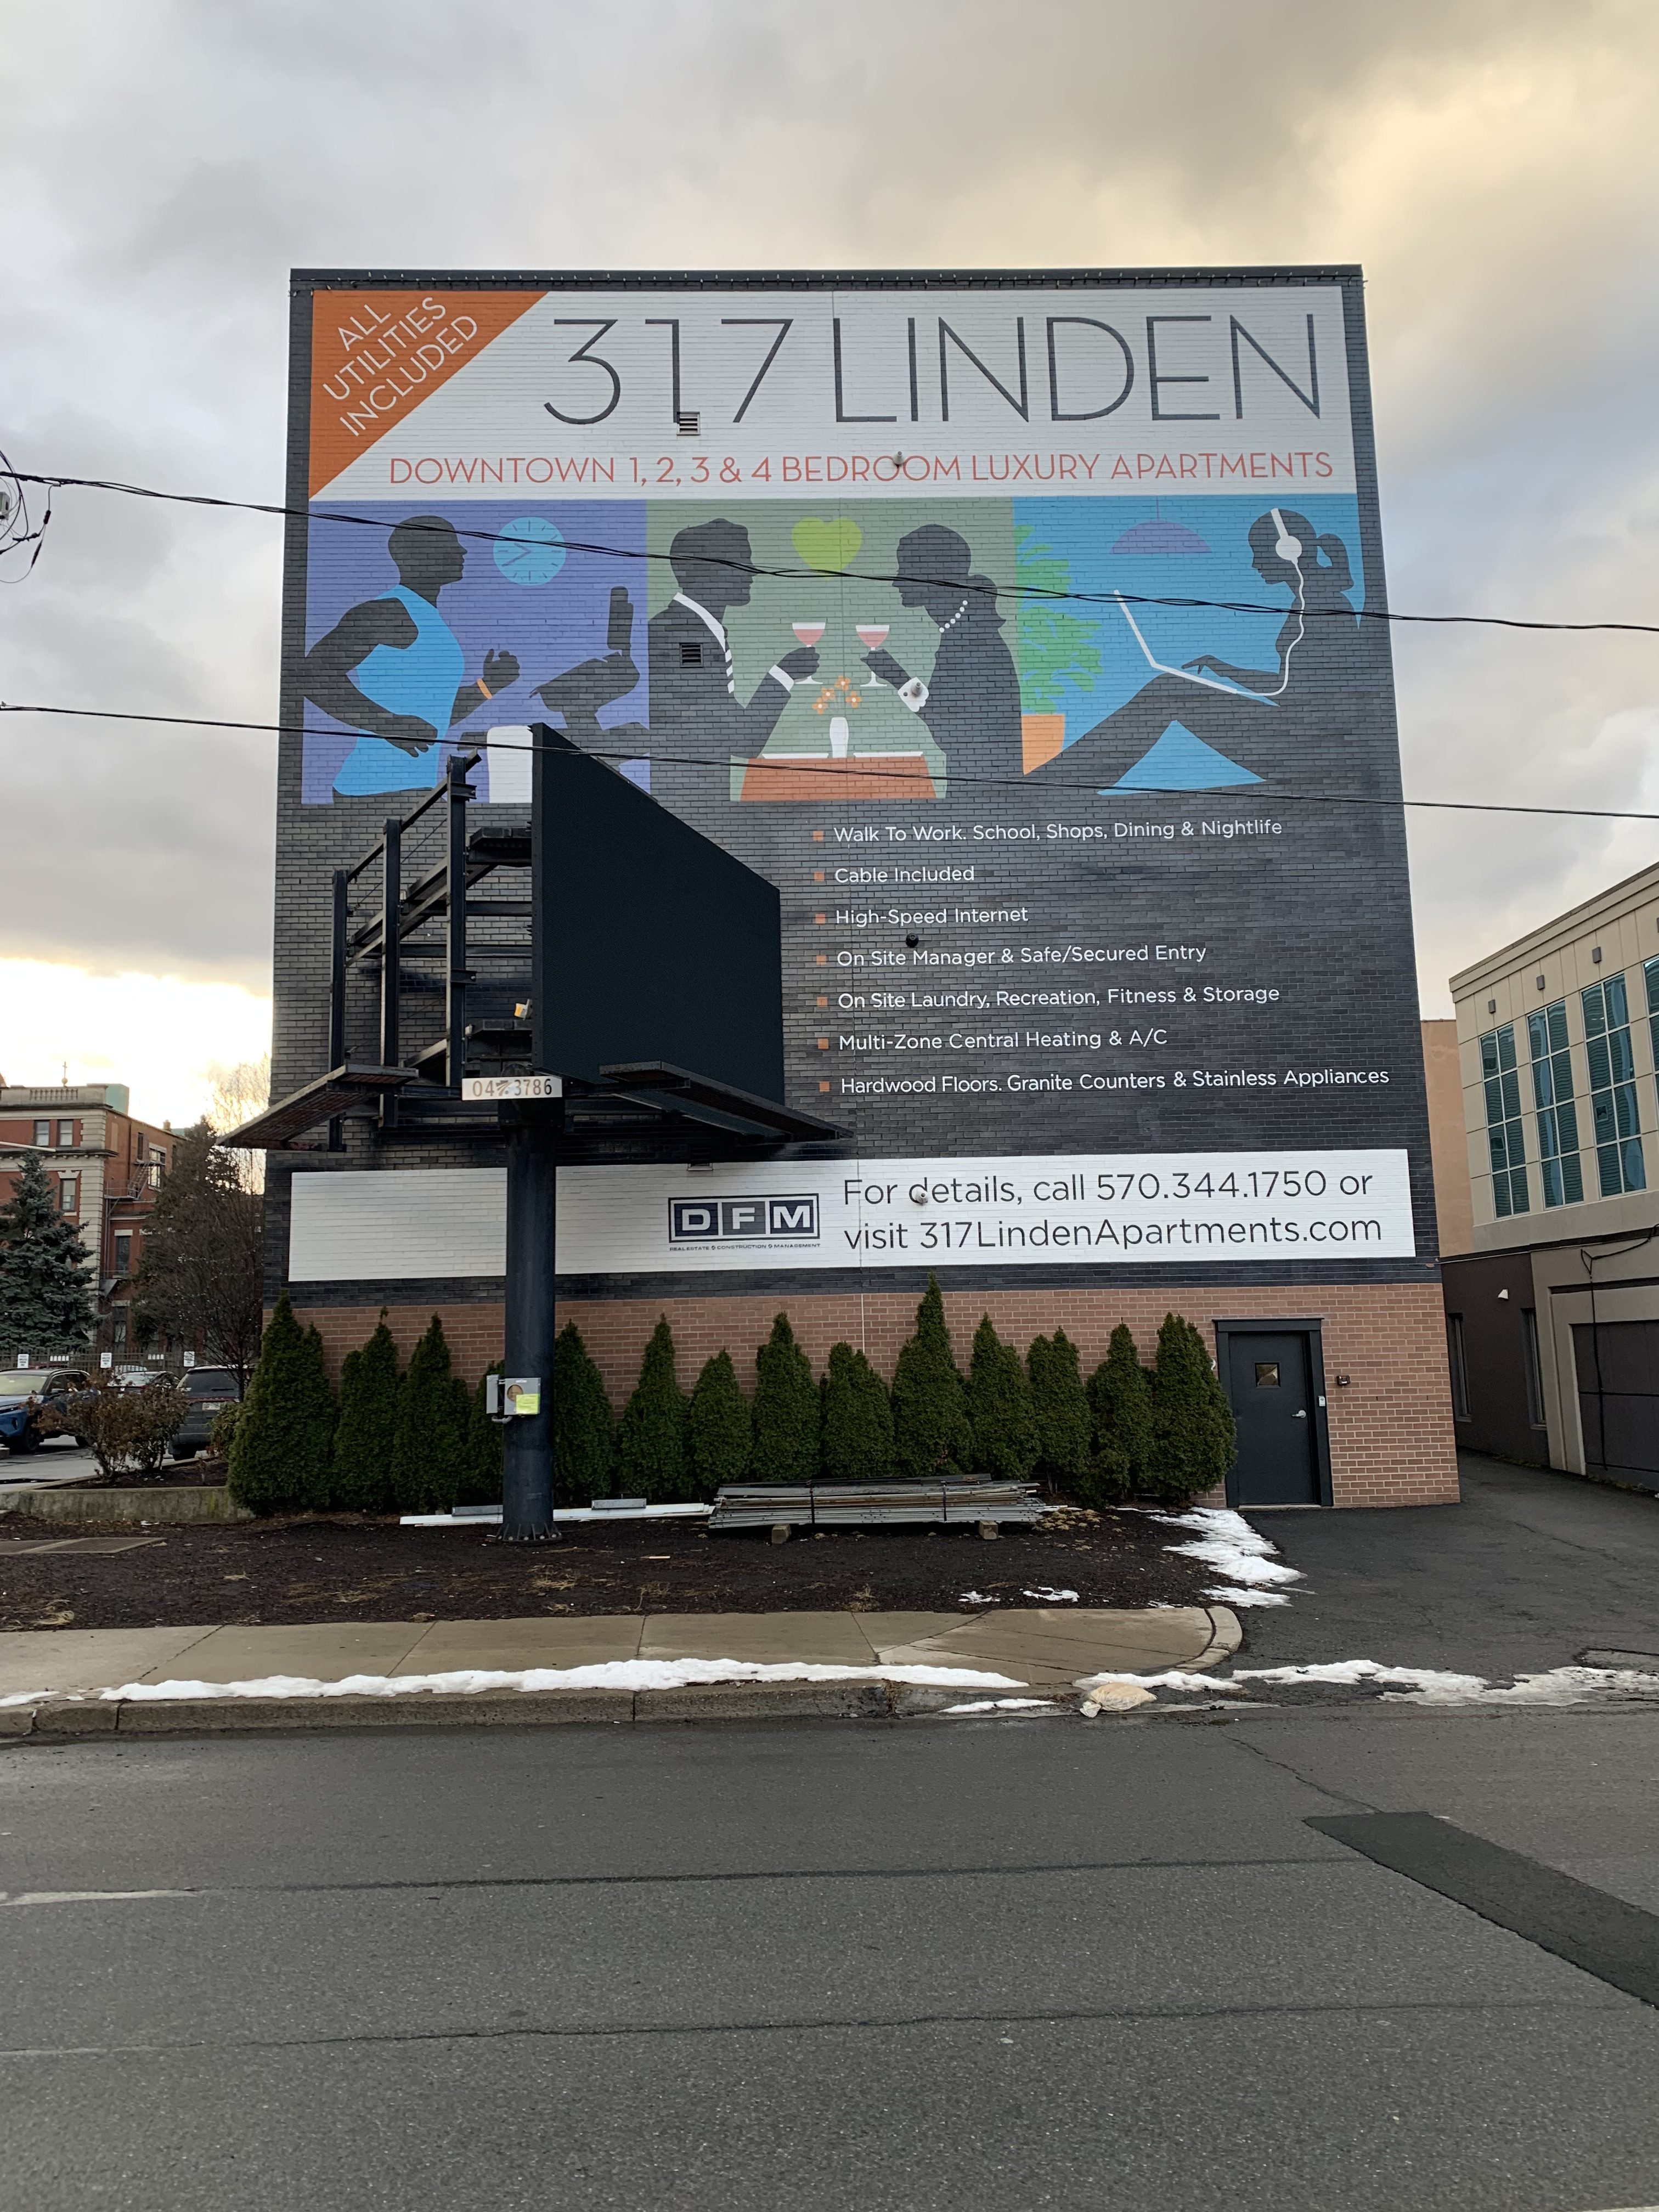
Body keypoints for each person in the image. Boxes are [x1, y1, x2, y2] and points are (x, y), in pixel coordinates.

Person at [1030, 509, 1358, 786]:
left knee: (1169, 691)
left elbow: (1295, 694)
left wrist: (1222, 678)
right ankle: (1062, 778)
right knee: (1172, 688)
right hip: (1301, 737)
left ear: (1288, 549)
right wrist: (1223, 669)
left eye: (1259, 552)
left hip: (1309, 747)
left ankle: (1061, 782)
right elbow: (1289, 685)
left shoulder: (1325, 605)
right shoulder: (1311, 601)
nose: (1256, 563)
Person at [302, 516, 519, 798]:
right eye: (450, 543)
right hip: (373, 789)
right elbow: (310, 675)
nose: (462, 551)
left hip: (412, 787)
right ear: (416, 554)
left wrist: (488, 686)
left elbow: (433, 715)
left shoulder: (427, 618)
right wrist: (386, 724)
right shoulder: (387, 611)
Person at [643, 519, 819, 810]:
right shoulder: (681, 637)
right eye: (740, 562)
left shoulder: (696, 631)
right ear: (700, 571)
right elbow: (743, 740)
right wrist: (784, 674)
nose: (752, 572)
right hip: (689, 804)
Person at [860, 524, 1021, 797]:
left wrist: (898, 678)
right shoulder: (963, 634)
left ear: (932, 575)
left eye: (904, 571)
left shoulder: (973, 644)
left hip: (983, 801)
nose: (896, 582)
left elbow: (950, 733)